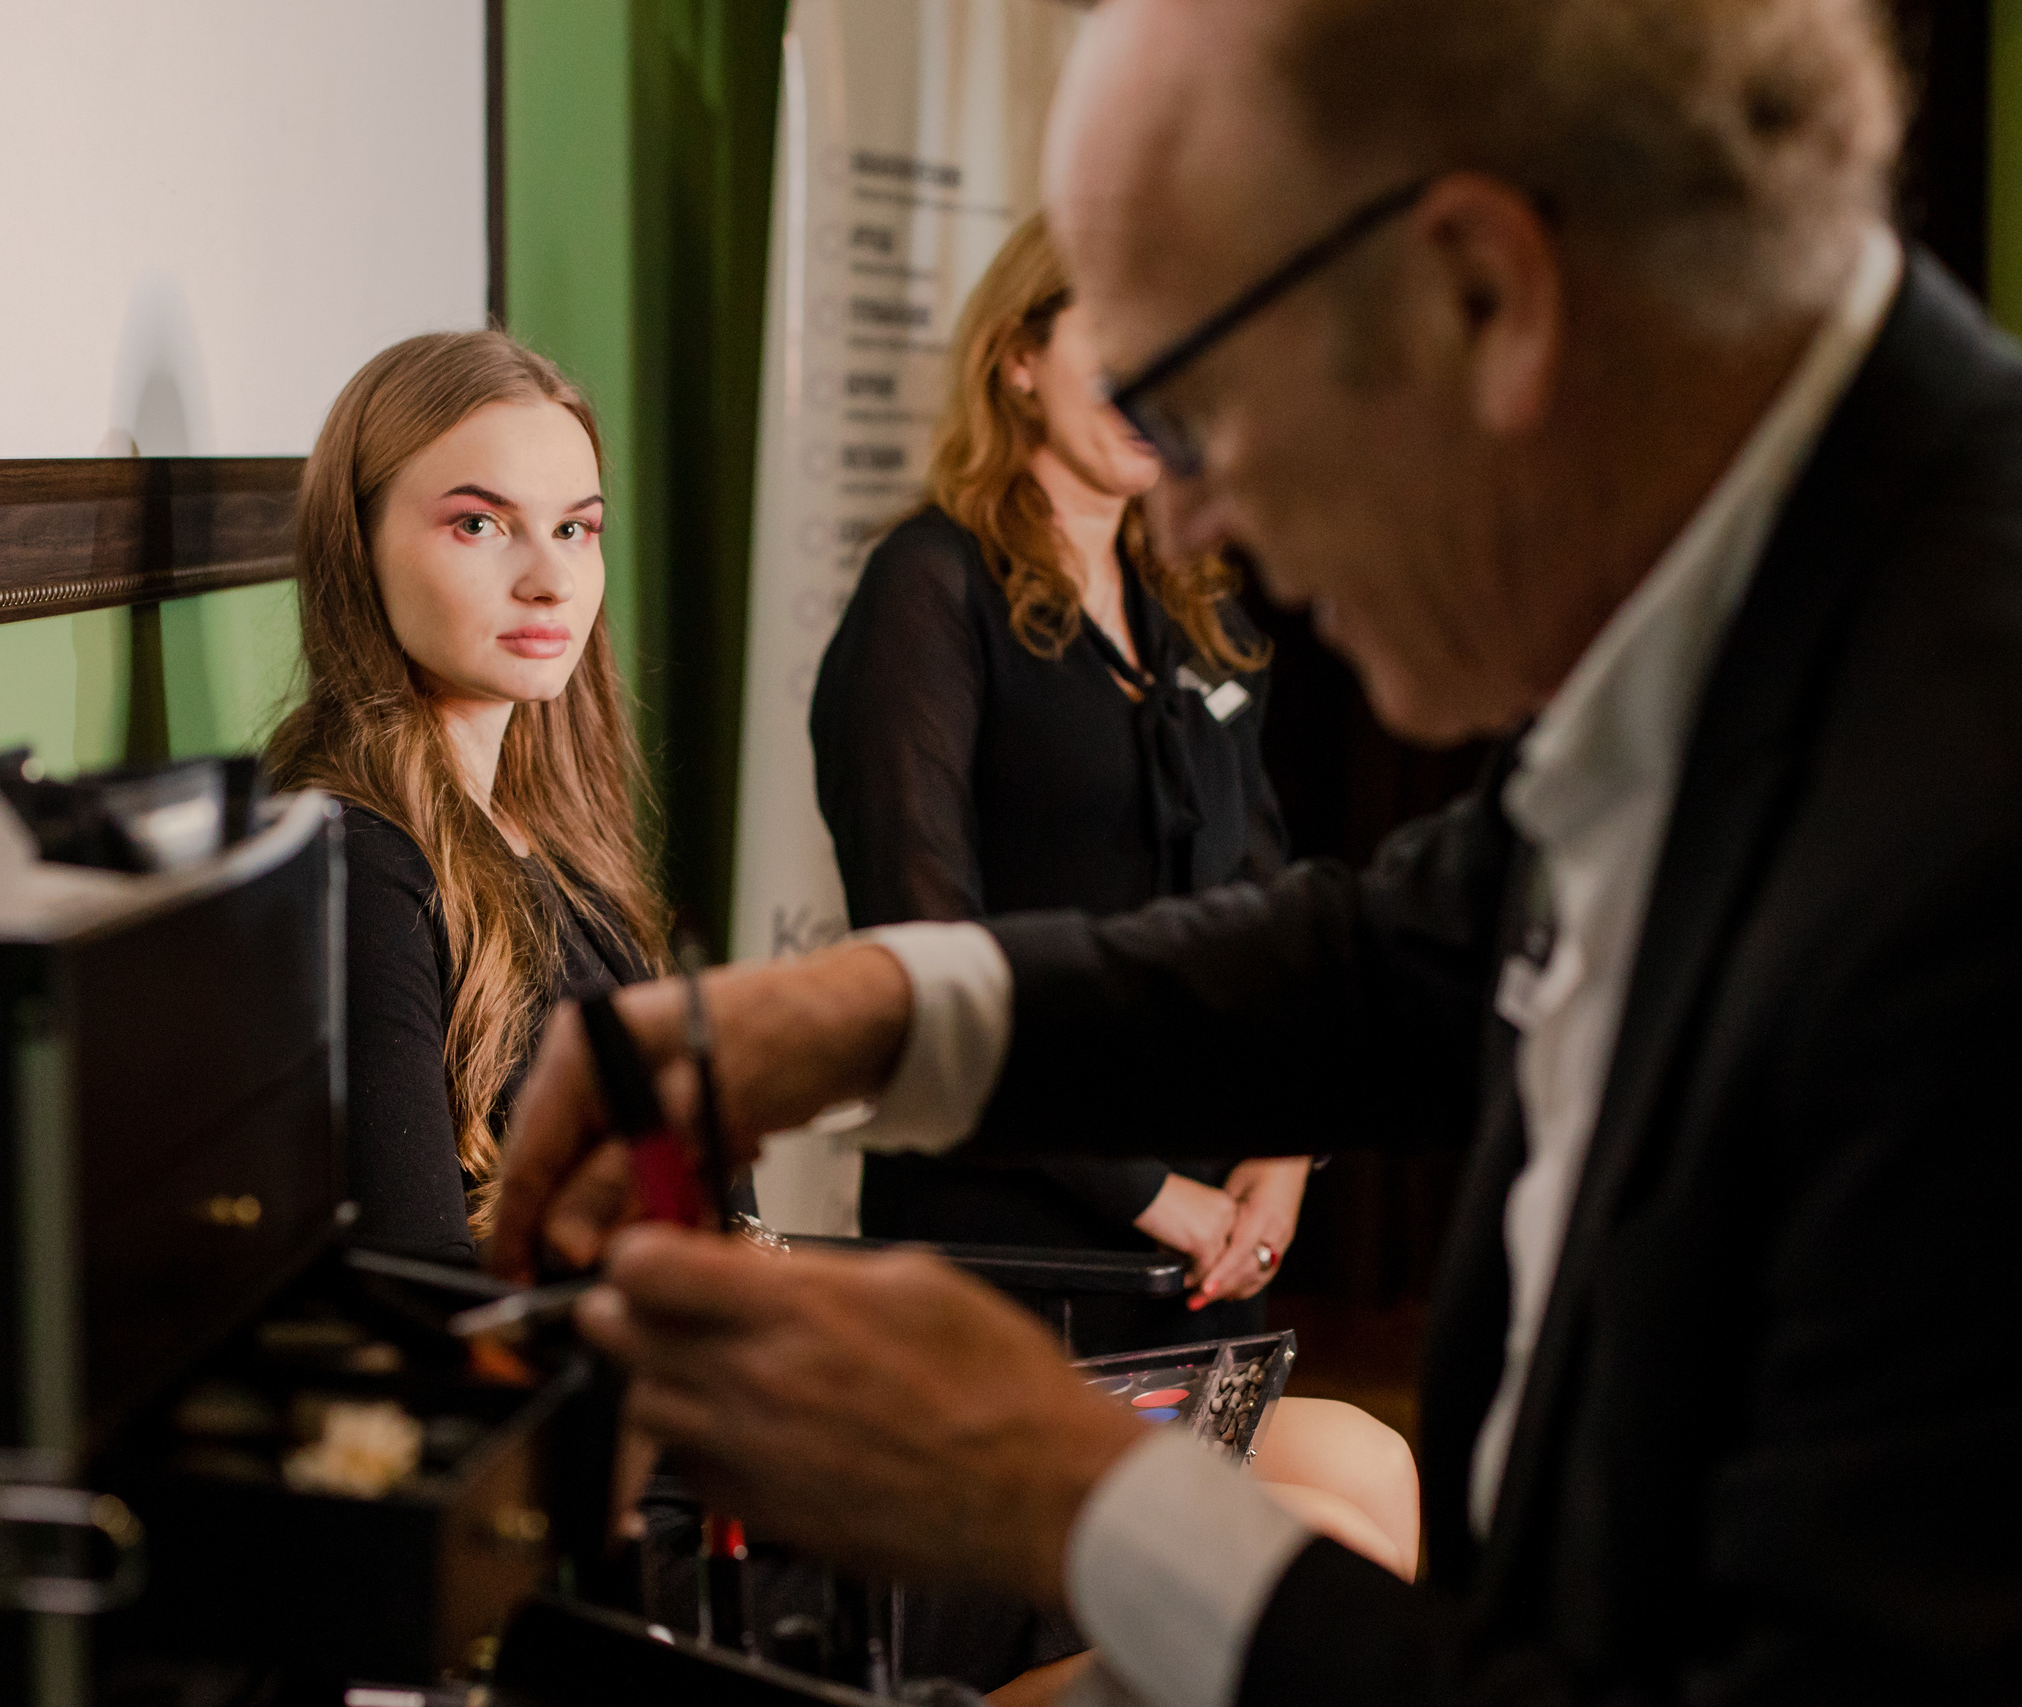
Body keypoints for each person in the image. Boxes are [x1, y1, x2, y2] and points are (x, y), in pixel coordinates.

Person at [487, 1, 2022, 1703]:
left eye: (1193, 400)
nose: (1198, 513)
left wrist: (1070, 1498)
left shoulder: (1968, 823)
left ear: (1482, 297)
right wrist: (843, 1014)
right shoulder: (1780, 612)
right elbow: (1395, 953)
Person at [811, 211, 1306, 1345]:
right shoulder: (927, 589)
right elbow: (928, 954)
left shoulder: (1198, 604)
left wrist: (1282, 1160)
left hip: (1213, 1249)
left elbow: (1276, 915)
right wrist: (1150, 1196)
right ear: (1018, 359)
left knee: (1357, 1495)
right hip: (1011, 1240)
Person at [263, 330, 668, 1264]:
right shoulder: (366, 865)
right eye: (479, 524)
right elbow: (421, 1282)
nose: (549, 581)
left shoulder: (550, 824)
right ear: (356, 546)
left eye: (575, 528)